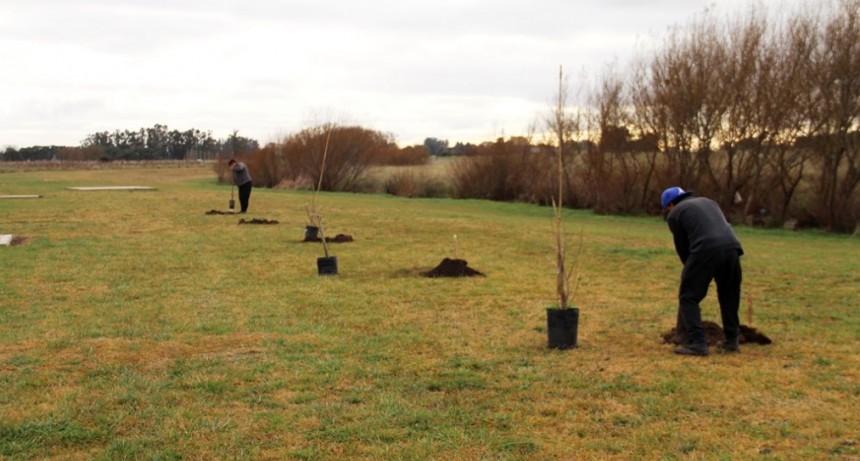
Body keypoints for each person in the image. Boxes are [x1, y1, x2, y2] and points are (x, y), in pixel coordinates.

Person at [661, 187, 744, 356]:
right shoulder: (709, 202)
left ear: (670, 205)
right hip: (732, 248)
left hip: (705, 249)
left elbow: (683, 248)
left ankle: (697, 343)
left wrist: (690, 273)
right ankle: (732, 340)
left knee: (688, 297)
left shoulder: (675, 214)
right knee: (729, 295)